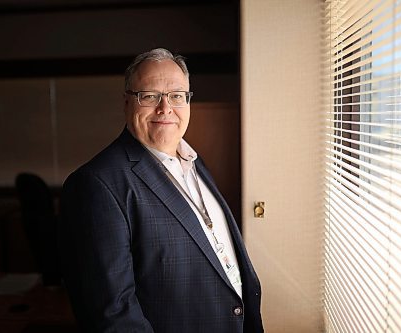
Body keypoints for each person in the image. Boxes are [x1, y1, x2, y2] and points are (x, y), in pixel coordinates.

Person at [59, 48, 264, 332]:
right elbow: (113, 316)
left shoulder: (193, 161)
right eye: (150, 96)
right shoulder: (96, 185)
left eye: (177, 95)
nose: (165, 108)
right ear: (127, 102)